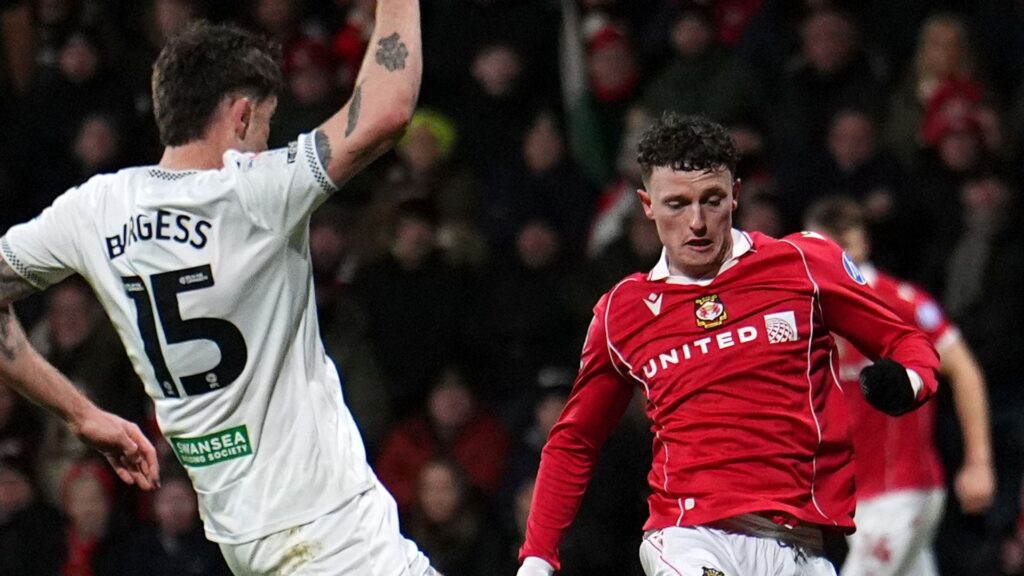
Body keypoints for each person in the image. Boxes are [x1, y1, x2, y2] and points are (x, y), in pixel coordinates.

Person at [0, 3, 433, 574]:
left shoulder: (96, 210)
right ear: (241, 116)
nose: (266, 144)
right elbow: (387, 108)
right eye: (267, 126)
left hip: (245, 542)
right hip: (335, 538)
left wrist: (79, 414)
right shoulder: (254, 193)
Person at [516, 113, 942, 576]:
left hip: (798, 544)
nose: (697, 222)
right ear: (647, 205)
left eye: (712, 200)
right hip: (688, 536)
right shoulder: (623, 311)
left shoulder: (803, 265)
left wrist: (909, 382)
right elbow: (575, 439)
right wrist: (537, 557)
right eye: (677, 204)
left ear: (735, 194)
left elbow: (907, 341)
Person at [804, 196, 995, 576]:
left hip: (902, 490)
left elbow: (965, 370)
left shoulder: (900, 304)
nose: (832, 259)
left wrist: (979, 463)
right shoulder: (805, 313)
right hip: (854, 494)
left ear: (862, 245)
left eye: (843, 245)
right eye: (822, 250)